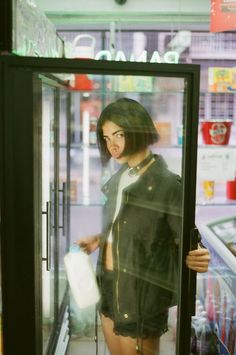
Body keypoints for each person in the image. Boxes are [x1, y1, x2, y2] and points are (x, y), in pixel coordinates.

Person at [77, 98, 210, 355]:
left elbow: (188, 239)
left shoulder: (167, 185)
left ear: (138, 130)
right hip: (109, 289)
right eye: (106, 138)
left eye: (119, 135)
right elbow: (127, 223)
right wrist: (99, 239)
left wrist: (200, 255)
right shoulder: (121, 177)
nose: (112, 145)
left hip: (140, 298)